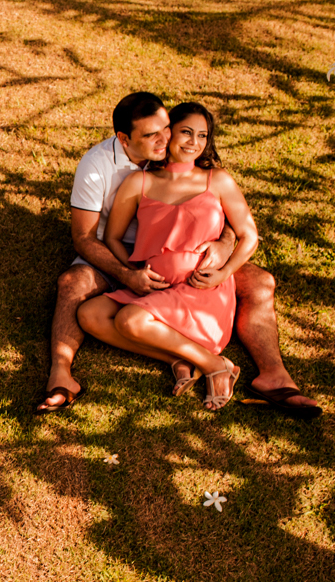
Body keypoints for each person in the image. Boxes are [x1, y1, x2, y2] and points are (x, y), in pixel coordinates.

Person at [34, 92, 321, 418]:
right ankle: (72, 372)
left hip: (200, 279)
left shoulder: (213, 177)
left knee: (260, 281)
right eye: (158, 135)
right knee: (82, 300)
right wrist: (129, 271)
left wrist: (225, 252)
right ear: (125, 139)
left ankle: (273, 375)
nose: (164, 139)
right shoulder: (106, 168)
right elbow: (86, 238)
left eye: (166, 131)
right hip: (145, 268)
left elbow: (240, 228)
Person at [77, 102, 252, 410]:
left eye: (202, 135)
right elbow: (113, 237)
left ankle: (215, 366)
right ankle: (182, 357)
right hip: (155, 287)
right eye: (186, 132)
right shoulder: (139, 183)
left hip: (201, 292)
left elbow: (249, 235)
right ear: (169, 133)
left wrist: (224, 272)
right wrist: (132, 272)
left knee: (130, 320)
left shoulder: (217, 180)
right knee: (88, 315)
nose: (193, 142)